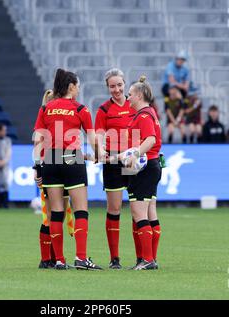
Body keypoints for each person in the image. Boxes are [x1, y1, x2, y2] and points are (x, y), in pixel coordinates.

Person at [33, 68, 101, 270]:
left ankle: (60, 260)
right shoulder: (81, 109)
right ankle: (81, 258)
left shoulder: (45, 109)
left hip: (50, 160)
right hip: (72, 158)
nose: (79, 90)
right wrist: (97, 154)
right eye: (78, 86)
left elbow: (38, 140)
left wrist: (38, 168)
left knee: (56, 212)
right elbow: (92, 138)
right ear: (71, 87)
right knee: (81, 210)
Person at [112, 76, 162, 270]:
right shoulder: (149, 113)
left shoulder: (143, 115)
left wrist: (136, 154)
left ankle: (147, 260)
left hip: (145, 167)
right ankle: (149, 259)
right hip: (150, 165)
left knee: (138, 212)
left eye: (130, 94)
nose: (128, 97)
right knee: (150, 212)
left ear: (139, 95)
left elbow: (149, 139)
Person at [94, 68, 136, 269]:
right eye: (112, 86)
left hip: (133, 161)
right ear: (107, 87)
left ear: (125, 84)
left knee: (138, 209)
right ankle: (115, 259)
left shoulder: (135, 105)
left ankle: (143, 258)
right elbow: (99, 135)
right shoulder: (103, 110)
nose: (117, 89)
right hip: (112, 162)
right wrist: (101, 150)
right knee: (114, 208)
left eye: (119, 85)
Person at [34, 90, 73, 269]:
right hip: (49, 166)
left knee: (58, 214)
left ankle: (50, 257)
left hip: (63, 164)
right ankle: (48, 258)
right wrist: (38, 169)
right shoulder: (45, 116)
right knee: (51, 215)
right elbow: (37, 146)